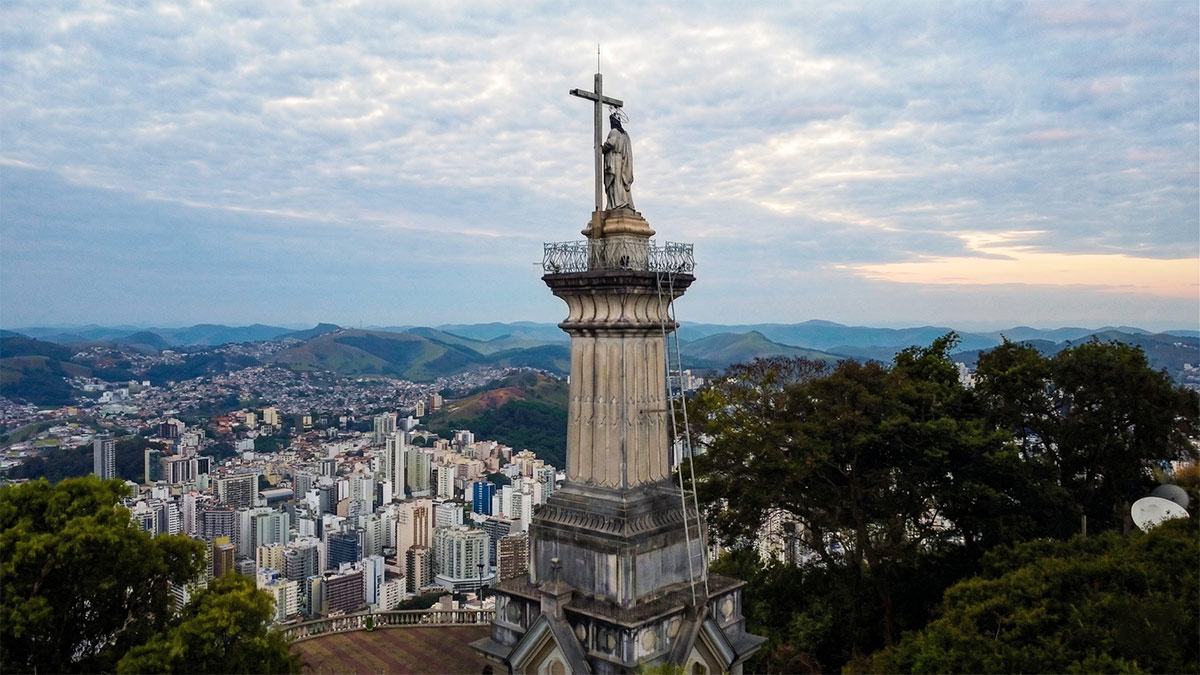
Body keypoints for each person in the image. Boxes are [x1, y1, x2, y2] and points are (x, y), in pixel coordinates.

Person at [602, 112, 634, 210]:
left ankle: (617, 203)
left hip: (614, 160)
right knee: (620, 182)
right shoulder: (625, 134)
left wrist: (601, 148)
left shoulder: (614, 132)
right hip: (622, 161)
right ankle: (623, 201)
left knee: (615, 183)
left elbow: (611, 143)